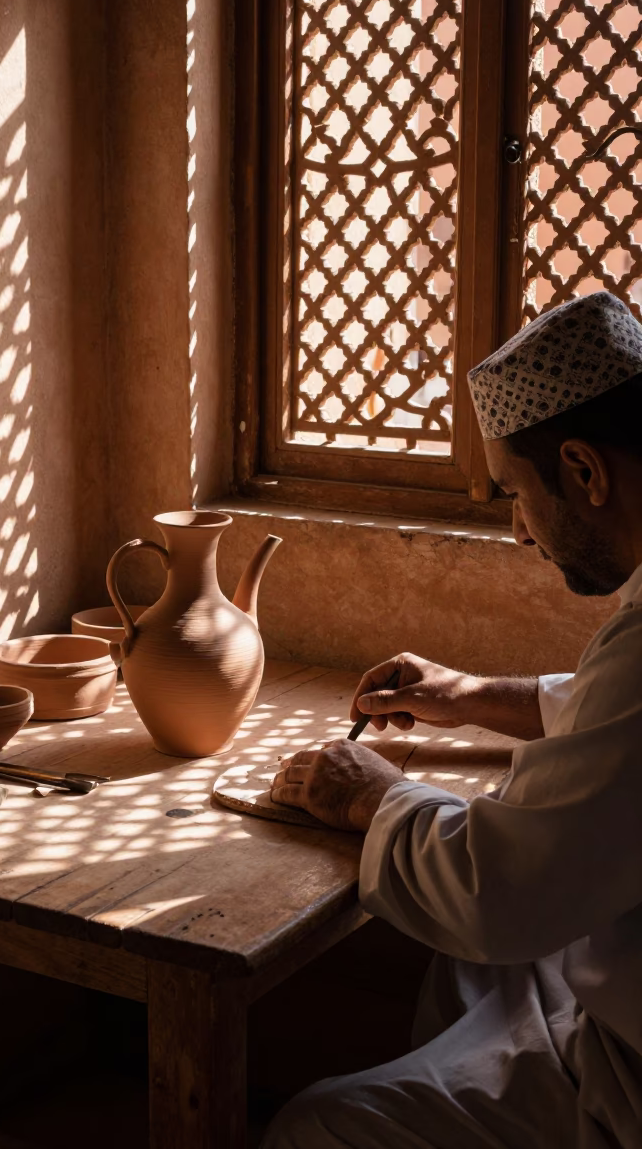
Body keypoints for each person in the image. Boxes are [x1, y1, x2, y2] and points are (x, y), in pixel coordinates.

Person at [264, 291, 642, 1149]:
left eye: (515, 491)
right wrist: (471, 695)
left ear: (583, 472)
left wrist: (374, 793)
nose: (518, 530)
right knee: (471, 971)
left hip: (626, 1078)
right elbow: (616, 731)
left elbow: (494, 891)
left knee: (320, 1127)